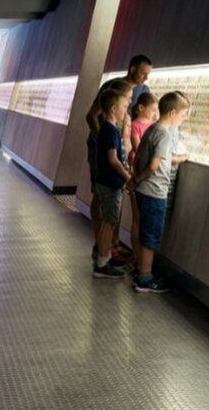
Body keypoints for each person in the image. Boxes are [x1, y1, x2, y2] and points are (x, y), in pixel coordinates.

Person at [84, 55, 153, 263]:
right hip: (106, 147)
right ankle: (101, 246)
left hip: (121, 149)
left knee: (116, 196)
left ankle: (111, 244)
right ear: (132, 69)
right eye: (143, 73)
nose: (146, 78)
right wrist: (105, 142)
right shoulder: (112, 87)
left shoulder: (143, 91)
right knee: (100, 194)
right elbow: (91, 116)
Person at [128, 91, 191, 293]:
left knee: (144, 230)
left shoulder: (152, 129)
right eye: (182, 115)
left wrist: (136, 178)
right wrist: (140, 177)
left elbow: (140, 157)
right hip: (154, 191)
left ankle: (140, 269)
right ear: (172, 113)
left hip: (143, 190)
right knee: (151, 235)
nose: (183, 119)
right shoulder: (164, 135)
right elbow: (155, 165)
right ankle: (145, 278)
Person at [92, 88, 134, 279]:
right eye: (125, 106)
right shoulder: (110, 131)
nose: (127, 109)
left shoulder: (109, 129)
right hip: (110, 184)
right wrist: (127, 177)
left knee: (107, 222)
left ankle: (104, 257)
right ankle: (102, 263)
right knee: (109, 223)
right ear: (114, 108)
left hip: (106, 182)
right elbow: (112, 159)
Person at [128, 92, 158, 265]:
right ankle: (136, 255)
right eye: (152, 109)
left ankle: (142, 257)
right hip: (137, 170)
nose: (155, 113)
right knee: (137, 217)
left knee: (143, 219)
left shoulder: (154, 126)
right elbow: (137, 148)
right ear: (141, 108)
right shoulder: (135, 125)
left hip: (147, 174)